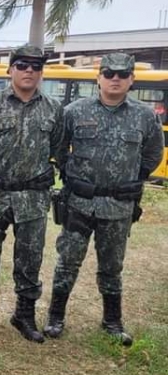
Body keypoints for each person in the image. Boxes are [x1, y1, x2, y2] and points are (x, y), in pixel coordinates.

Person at [44, 52, 164, 346]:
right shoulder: (74, 111)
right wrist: (72, 174)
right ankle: (55, 317)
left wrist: (129, 180)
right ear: (99, 77)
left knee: (112, 266)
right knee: (68, 261)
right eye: (109, 73)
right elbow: (59, 149)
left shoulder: (145, 116)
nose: (115, 79)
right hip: (79, 203)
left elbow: (152, 155)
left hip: (119, 206)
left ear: (131, 80)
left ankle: (112, 321)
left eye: (123, 75)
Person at [0, 45, 63, 343]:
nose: (29, 71)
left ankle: (24, 314)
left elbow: (57, 148)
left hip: (33, 198)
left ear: (41, 72)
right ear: (10, 70)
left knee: (30, 257)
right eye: (22, 65)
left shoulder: (53, 109)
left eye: (36, 66)